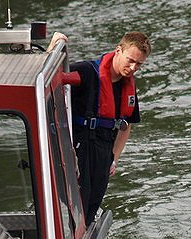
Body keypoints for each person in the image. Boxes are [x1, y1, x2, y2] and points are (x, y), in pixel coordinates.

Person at [51, 31, 151, 224]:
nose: (133, 68)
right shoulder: (87, 72)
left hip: (104, 150)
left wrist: (114, 158)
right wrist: (53, 45)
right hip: (80, 145)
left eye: (139, 64)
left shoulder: (127, 86)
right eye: (130, 60)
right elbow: (50, 77)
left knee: (95, 197)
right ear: (118, 51)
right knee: (80, 196)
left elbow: (126, 125)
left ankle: (86, 230)